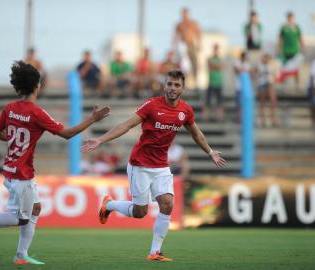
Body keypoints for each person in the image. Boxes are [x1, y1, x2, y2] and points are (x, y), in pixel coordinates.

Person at [0, 61, 110, 265]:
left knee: (35, 209)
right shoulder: (37, 113)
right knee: (21, 218)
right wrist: (92, 119)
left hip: (10, 169)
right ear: (37, 86)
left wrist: (15, 141)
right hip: (22, 174)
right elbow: (66, 134)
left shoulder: (9, 108)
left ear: (18, 86)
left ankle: (22, 255)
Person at [82, 69, 226, 262]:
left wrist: (210, 151)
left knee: (167, 204)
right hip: (139, 164)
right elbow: (126, 125)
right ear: (164, 85)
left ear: (183, 88)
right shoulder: (151, 105)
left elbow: (196, 133)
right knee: (140, 212)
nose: (172, 88)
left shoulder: (185, 110)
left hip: (161, 166)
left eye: (177, 85)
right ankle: (109, 204)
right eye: (169, 84)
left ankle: (155, 252)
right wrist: (101, 140)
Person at [174, 7, 201, 88]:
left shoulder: (193, 23)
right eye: (183, 13)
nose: (184, 15)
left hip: (191, 44)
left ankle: (196, 81)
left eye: (185, 13)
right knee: (183, 64)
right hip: (183, 45)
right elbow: (176, 35)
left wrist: (199, 44)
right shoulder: (180, 24)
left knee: (194, 62)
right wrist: (175, 46)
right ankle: (183, 82)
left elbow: (198, 33)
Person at [276, 12, 304, 87]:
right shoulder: (283, 28)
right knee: (284, 69)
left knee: (296, 69)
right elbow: (280, 39)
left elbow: (300, 38)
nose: (290, 19)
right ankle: (283, 85)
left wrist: (303, 48)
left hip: (295, 51)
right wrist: (278, 49)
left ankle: (297, 85)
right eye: (289, 17)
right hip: (285, 51)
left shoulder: (297, 27)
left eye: (291, 17)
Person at [255, 54, 278, 127]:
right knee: (262, 103)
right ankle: (263, 119)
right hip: (262, 84)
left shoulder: (271, 66)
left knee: (273, 102)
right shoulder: (259, 66)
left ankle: (273, 119)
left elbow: (274, 76)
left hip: (269, 84)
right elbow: (254, 73)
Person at [204, 44, 224, 122]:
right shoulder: (210, 59)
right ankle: (206, 118)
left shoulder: (220, 59)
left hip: (219, 83)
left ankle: (220, 118)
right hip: (211, 83)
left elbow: (221, 66)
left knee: (220, 102)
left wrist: (215, 66)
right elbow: (211, 66)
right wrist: (217, 66)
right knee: (207, 102)